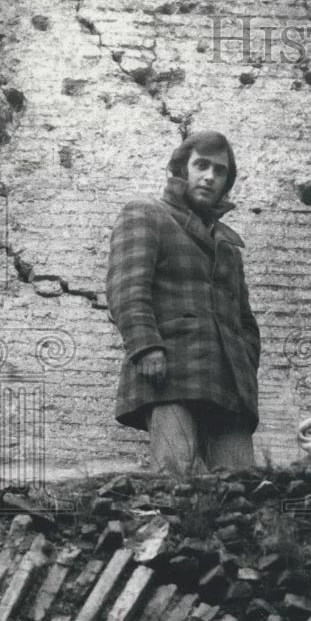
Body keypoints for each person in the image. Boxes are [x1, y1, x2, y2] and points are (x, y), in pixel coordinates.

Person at [106, 131, 260, 475]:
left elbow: (245, 319)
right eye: (201, 165)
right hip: (172, 373)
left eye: (219, 171)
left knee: (241, 489)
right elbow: (126, 288)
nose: (209, 177)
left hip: (228, 382)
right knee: (175, 478)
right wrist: (146, 347)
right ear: (181, 169)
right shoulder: (146, 213)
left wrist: (246, 361)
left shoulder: (228, 244)